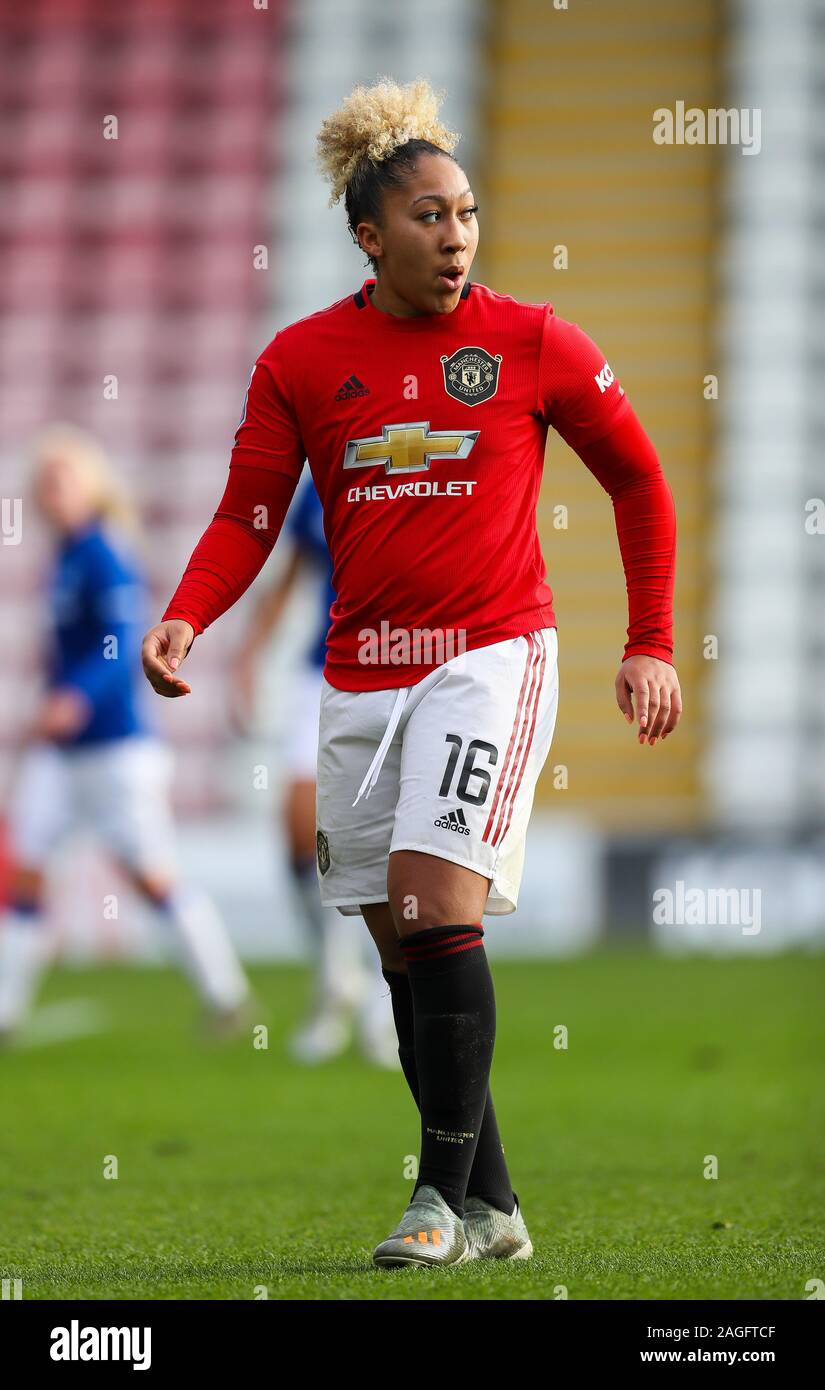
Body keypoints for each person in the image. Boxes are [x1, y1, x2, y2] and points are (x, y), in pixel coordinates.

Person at [142, 77, 681, 1268]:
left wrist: (648, 638)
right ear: (368, 236)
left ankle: (433, 1201)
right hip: (361, 673)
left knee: (439, 908)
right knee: (400, 942)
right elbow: (246, 516)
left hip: (488, 654)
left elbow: (639, 480)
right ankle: (494, 1206)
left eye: (468, 212)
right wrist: (187, 617)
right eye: (430, 217)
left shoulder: (533, 340)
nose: (457, 236)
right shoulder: (300, 359)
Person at [0, 425, 251, 1040]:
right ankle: (5, 1010)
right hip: (65, 755)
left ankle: (226, 994)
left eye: (61, 479)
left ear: (90, 484)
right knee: (25, 869)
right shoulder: (65, 557)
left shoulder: (105, 553)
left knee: (151, 873)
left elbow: (119, 652)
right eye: (44, 483)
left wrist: (73, 699)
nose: (50, 492)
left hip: (116, 748)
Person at [232, 472, 397, 1066]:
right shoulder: (328, 467)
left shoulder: (430, 450)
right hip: (326, 668)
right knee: (300, 827)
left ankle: (390, 999)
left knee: (391, 842)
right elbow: (297, 567)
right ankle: (336, 980)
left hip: (410, 664)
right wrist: (250, 654)